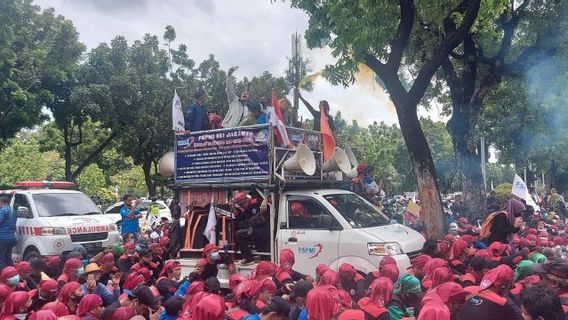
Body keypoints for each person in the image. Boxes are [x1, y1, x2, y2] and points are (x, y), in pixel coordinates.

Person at [458, 264, 522, 320]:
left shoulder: (467, 290)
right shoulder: (501, 302)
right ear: (502, 286)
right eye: (508, 286)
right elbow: (518, 317)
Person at [232, 192, 269, 265]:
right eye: (240, 205)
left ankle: (249, 258)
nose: (242, 206)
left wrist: (266, 200)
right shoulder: (246, 209)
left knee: (239, 234)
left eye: (243, 203)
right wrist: (235, 211)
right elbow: (241, 220)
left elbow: (272, 198)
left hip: (263, 231)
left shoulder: (258, 202)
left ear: (247, 199)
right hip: (255, 231)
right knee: (239, 229)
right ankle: (246, 255)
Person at [0, 196, 16, 269]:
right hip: (12, 238)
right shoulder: (13, 211)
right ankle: (11, 274)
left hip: (3, 237)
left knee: (1, 258)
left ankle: (3, 275)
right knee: (9, 257)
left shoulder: (3, 210)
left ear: (1, 202)